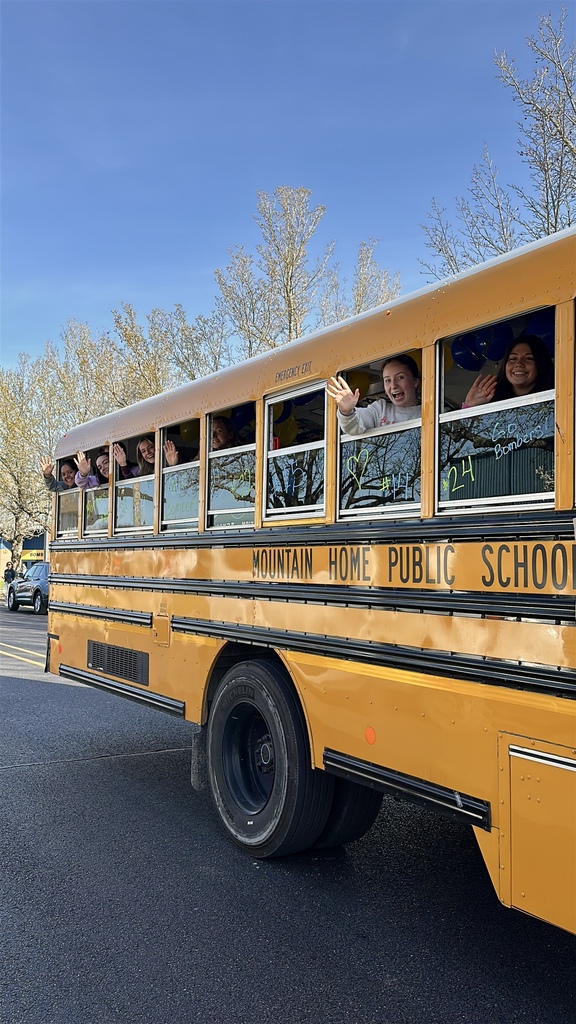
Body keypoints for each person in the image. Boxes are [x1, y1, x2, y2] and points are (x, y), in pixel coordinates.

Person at [327, 354, 421, 435]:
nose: (393, 385)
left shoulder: (430, 410)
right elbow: (355, 427)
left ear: (415, 381)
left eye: (400, 377)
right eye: (388, 380)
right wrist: (347, 412)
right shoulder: (380, 409)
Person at [463, 335, 554, 407]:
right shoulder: (490, 400)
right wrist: (469, 406)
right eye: (513, 358)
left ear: (541, 364)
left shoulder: (555, 399)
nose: (519, 363)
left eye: (529, 358)